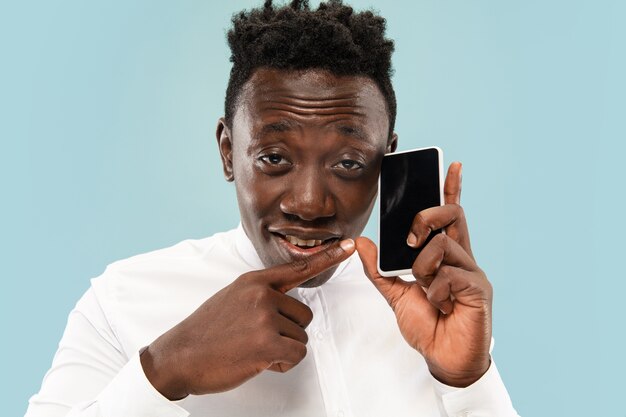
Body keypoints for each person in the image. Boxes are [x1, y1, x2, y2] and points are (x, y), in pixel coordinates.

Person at [26, 1, 520, 416]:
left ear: (386, 161)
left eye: (348, 162)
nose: (309, 203)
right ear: (227, 151)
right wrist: (166, 369)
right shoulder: (121, 301)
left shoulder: (434, 306)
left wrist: (467, 381)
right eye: (274, 158)